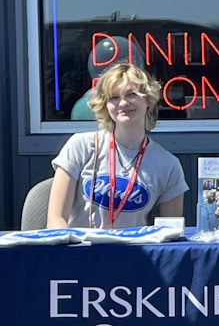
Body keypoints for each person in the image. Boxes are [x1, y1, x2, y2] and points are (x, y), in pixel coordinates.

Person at [47, 63, 189, 229]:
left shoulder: (168, 165)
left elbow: (171, 233)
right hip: (82, 251)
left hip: (133, 254)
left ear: (148, 99)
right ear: (105, 105)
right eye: (114, 97)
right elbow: (55, 220)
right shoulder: (80, 147)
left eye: (131, 94)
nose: (123, 103)